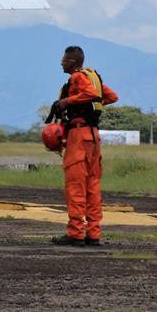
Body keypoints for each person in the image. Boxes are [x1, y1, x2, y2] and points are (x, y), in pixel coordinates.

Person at [50, 45, 118, 246]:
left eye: (63, 59)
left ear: (71, 62)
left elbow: (88, 94)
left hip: (79, 135)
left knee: (75, 185)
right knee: (92, 186)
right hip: (93, 137)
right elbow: (111, 97)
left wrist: (68, 102)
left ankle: (76, 233)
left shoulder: (78, 77)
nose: (61, 63)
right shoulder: (93, 77)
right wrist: (88, 107)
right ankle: (93, 233)